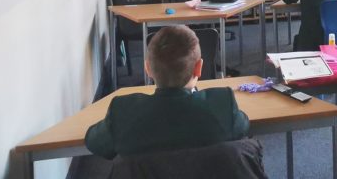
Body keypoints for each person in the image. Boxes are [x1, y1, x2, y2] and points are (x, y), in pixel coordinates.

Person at [85, 25, 249, 159]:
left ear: (147, 68)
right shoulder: (222, 104)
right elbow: (243, 128)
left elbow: (94, 143)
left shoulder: (122, 112)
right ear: (199, 67)